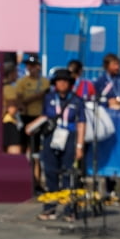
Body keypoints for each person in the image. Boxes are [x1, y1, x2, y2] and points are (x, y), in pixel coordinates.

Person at [37, 68, 87, 221]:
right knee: (50, 172)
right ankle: (50, 208)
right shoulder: (49, 98)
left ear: (70, 84)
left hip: (70, 137)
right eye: (59, 81)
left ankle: (69, 209)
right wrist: (31, 126)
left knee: (68, 174)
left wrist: (79, 145)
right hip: (52, 138)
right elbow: (45, 116)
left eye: (65, 81)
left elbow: (81, 123)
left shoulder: (77, 100)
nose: (62, 83)